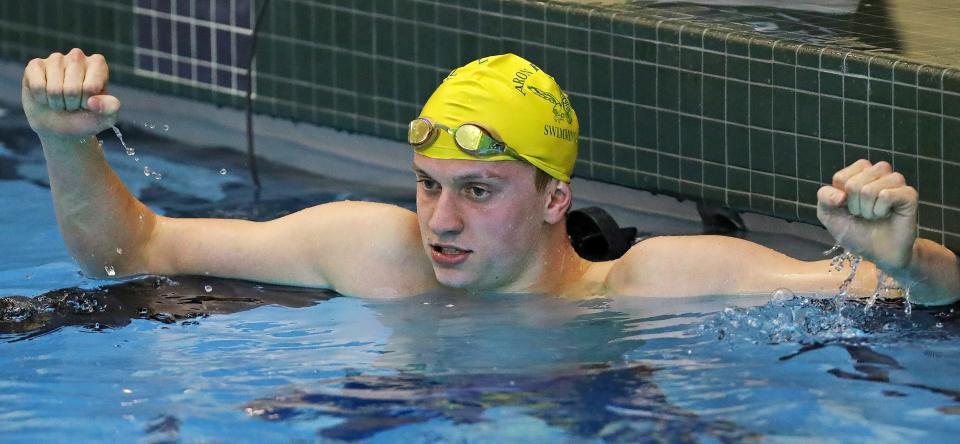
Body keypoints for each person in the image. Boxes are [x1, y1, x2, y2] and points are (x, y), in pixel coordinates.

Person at [20, 48, 960, 304]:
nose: (439, 218)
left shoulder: (654, 282)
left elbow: (917, 298)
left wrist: (908, 258)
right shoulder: (371, 250)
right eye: (427, 183)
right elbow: (131, 250)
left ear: (557, 199)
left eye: (478, 189)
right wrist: (64, 145)